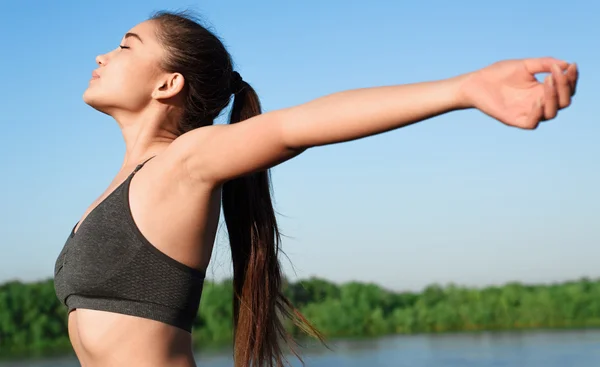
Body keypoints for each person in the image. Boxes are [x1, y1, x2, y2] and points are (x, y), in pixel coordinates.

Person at [52, 10, 578, 367]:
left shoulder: (185, 161)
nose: (102, 56)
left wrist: (463, 89)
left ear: (168, 83)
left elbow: (293, 127)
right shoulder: (121, 185)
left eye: (124, 46)